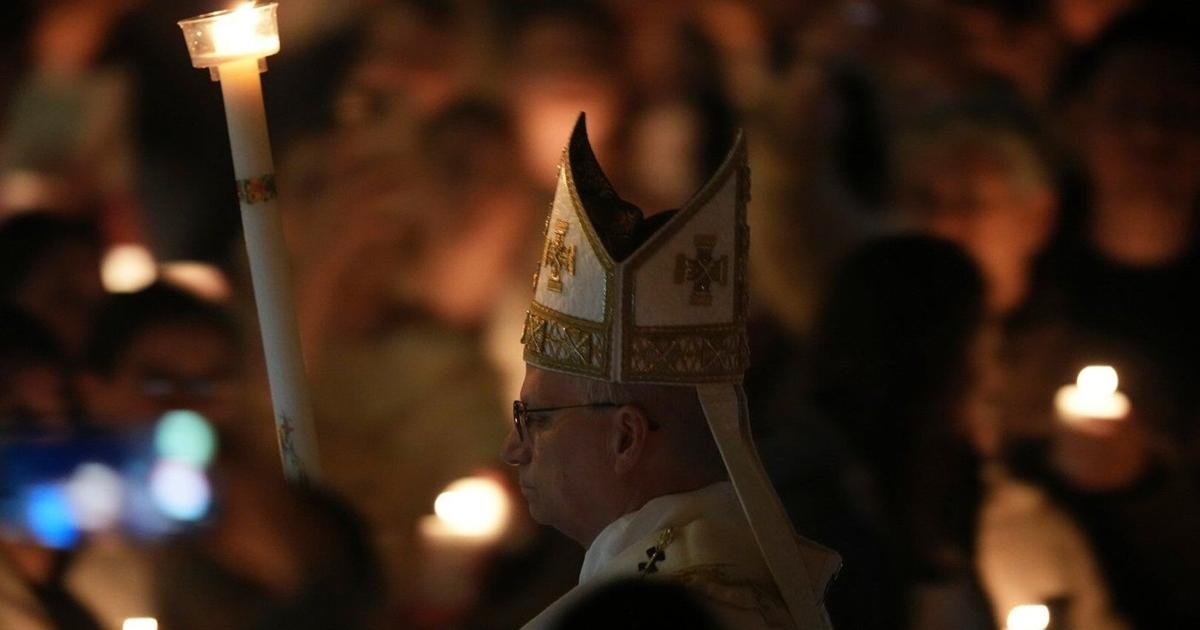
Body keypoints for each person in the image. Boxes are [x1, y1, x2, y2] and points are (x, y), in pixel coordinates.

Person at [503, 115, 839, 629]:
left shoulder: (672, 610)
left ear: (626, 438)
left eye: (536, 417)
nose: (514, 448)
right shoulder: (721, 578)